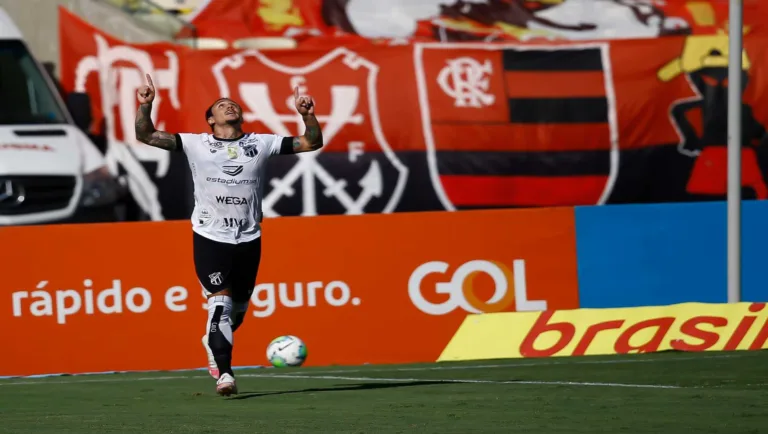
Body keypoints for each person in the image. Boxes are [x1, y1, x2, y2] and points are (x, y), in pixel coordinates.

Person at [134, 74, 323, 396]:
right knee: (219, 305)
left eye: (233, 104)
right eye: (221, 106)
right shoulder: (195, 143)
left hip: (248, 236)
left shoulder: (261, 143)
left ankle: (212, 340)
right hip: (210, 235)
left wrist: (307, 116)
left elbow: (311, 143)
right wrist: (145, 105)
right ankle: (224, 373)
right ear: (210, 119)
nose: (229, 106)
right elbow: (147, 135)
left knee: (237, 313)